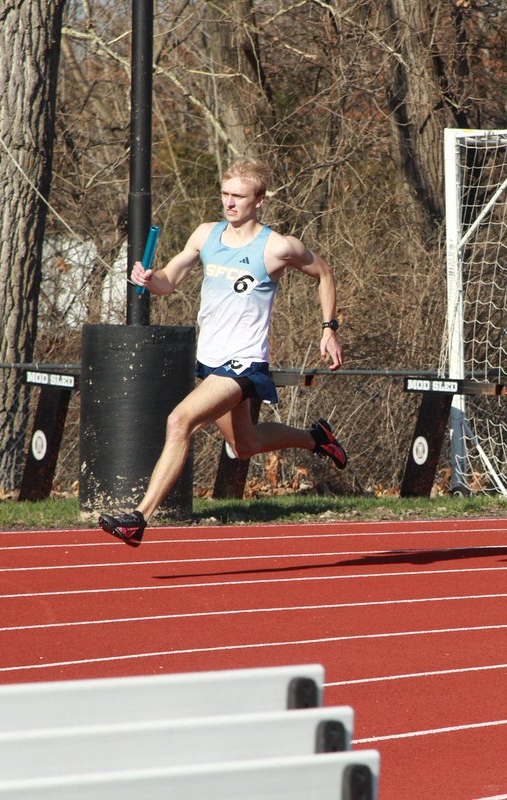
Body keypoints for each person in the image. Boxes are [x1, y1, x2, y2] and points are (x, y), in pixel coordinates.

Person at [97, 159, 347, 547]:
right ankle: (316, 438)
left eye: (239, 197)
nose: (229, 203)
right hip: (211, 361)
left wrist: (328, 329)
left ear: (259, 201)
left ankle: (138, 518)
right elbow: (169, 280)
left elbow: (325, 273)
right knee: (244, 446)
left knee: (179, 420)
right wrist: (148, 278)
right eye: (225, 194)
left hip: (244, 363)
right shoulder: (205, 235)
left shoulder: (277, 247)